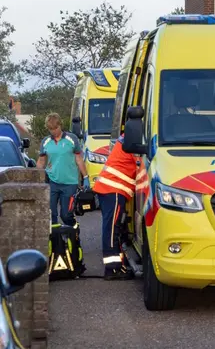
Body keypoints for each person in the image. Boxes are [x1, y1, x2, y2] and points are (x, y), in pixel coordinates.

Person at [93, 135, 140, 280]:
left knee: (114, 229)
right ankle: (112, 270)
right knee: (112, 229)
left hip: (110, 189)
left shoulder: (129, 138)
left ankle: (118, 265)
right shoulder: (135, 139)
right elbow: (140, 163)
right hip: (113, 189)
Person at [36, 113, 89, 226]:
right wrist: (36, 177)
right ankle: (54, 240)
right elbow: (41, 161)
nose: (54, 131)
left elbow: (79, 159)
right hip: (52, 182)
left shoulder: (71, 139)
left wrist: (85, 177)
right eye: (51, 129)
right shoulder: (46, 142)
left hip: (69, 183)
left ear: (60, 125)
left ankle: (74, 235)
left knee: (66, 215)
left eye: (56, 128)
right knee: (50, 214)